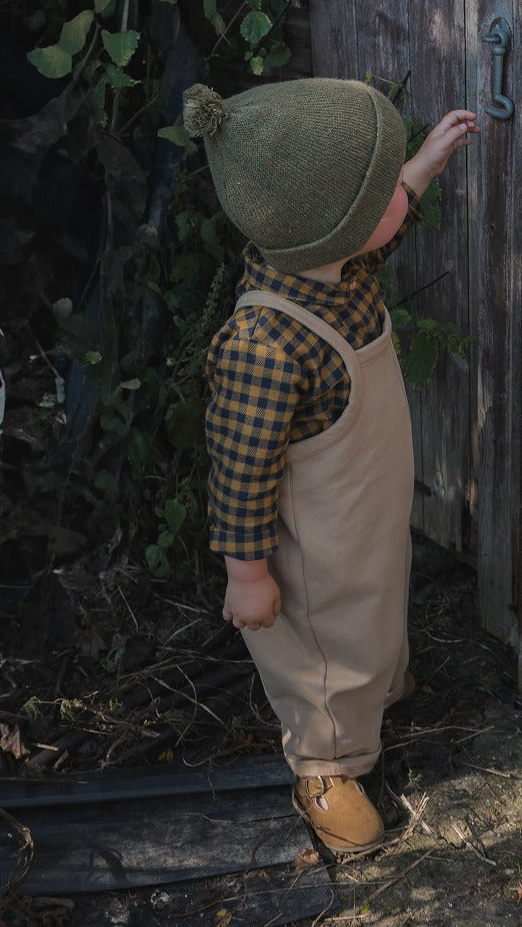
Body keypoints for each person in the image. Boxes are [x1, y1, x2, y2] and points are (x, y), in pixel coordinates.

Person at [183, 78, 480, 853]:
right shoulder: (265, 344)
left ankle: (378, 685)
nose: (397, 195)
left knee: (376, 605)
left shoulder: (335, 271)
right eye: (382, 188)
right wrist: (246, 574)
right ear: (331, 225)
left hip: (363, 524)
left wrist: (420, 167)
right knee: (324, 655)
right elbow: (240, 474)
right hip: (312, 558)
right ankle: (326, 764)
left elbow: (374, 226)